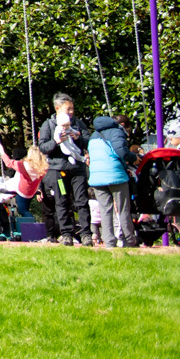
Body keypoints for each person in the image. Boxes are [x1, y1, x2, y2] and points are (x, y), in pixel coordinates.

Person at [37, 94, 94, 245]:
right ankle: (66, 233)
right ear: (57, 109)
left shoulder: (78, 124)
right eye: (67, 109)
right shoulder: (48, 125)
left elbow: (88, 142)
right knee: (61, 201)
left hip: (77, 169)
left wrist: (77, 138)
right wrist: (56, 141)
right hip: (58, 170)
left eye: (72, 109)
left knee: (82, 201)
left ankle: (86, 234)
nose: (70, 112)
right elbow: (42, 147)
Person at [87, 113, 135, 247]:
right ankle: (129, 240)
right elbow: (122, 152)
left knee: (105, 210)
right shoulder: (117, 132)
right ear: (123, 125)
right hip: (116, 175)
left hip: (97, 177)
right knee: (123, 208)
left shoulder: (94, 135)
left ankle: (109, 242)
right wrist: (133, 157)